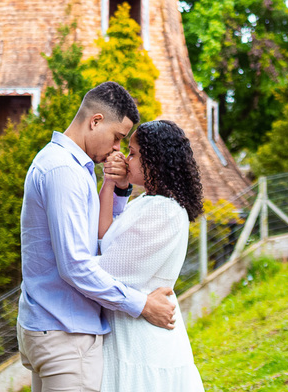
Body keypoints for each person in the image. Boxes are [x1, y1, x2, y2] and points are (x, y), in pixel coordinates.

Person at [17, 82, 177, 392]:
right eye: (118, 138)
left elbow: (101, 241)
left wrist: (115, 189)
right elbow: (76, 265)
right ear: (95, 121)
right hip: (66, 334)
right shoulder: (63, 170)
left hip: (55, 329)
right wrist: (143, 305)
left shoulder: (72, 167)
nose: (118, 149)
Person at [96, 120, 205, 392]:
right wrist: (110, 185)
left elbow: (105, 271)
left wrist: (65, 263)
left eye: (133, 153)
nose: (125, 158)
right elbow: (103, 238)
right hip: (130, 328)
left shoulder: (163, 211)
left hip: (141, 342)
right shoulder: (147, 202)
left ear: (153, 161)